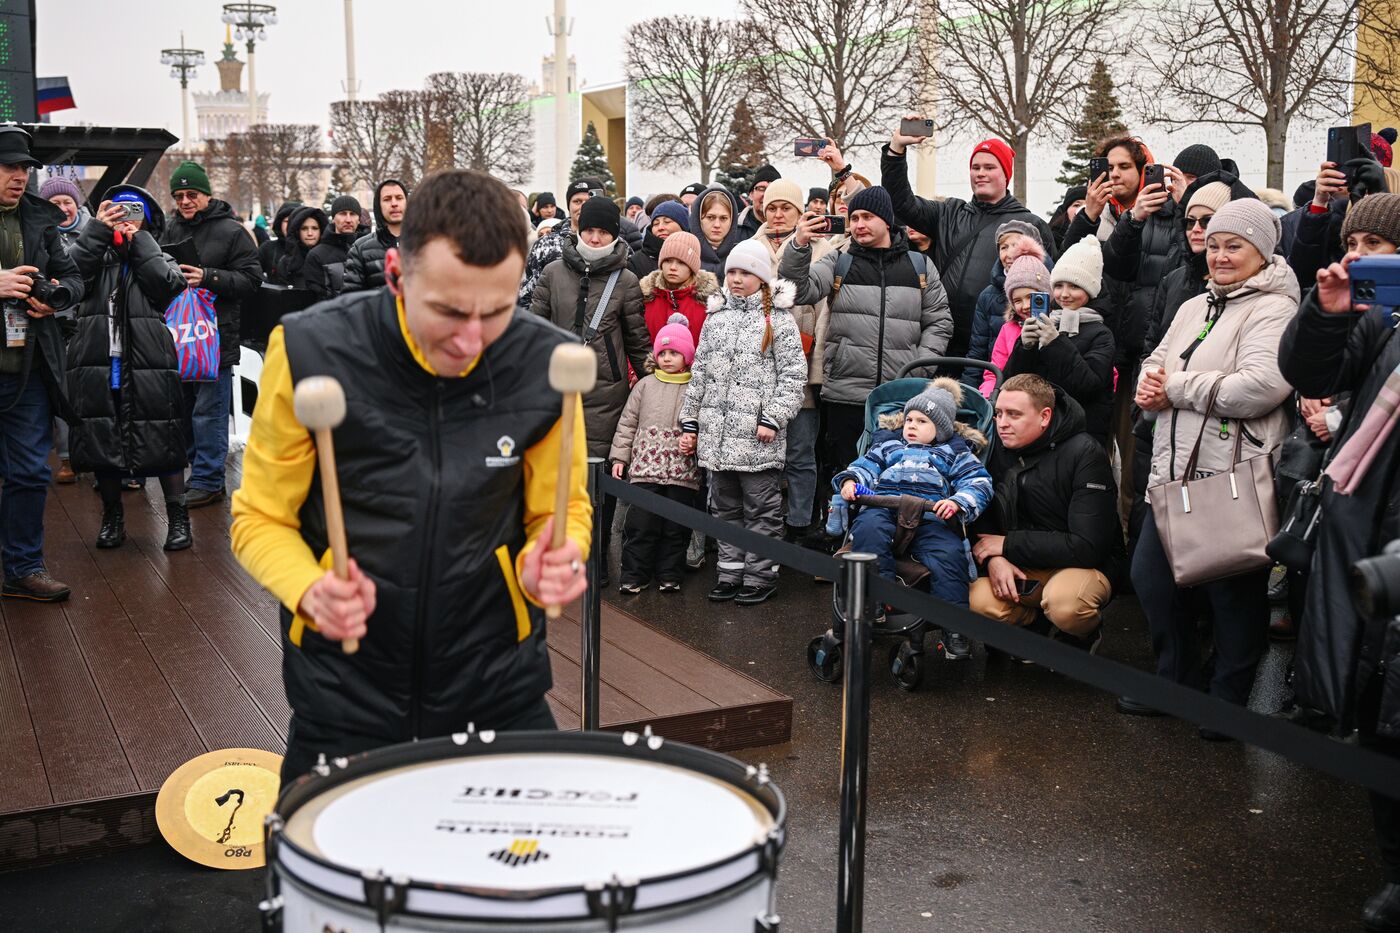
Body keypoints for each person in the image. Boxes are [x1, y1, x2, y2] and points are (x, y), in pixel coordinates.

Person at [231, 169, 591, 784]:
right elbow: (260, 517)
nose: (473, 339)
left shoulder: (548, 363)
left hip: (498, 681)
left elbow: (562, 510)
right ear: (397, 276)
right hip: (346, 687)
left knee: (522, 873)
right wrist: (310, 589)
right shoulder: (311, 348)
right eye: (449, 311)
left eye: (498, 310)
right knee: (325, 875)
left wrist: (556, 554)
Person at [1124, 199, 1298, 726]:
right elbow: (1158, 357)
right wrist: (1150, 381)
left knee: (1231, 593)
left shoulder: (1276, 308)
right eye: (1215, 245)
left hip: (1232, 475)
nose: (1220, 256)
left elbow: (1263, 386)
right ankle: (1178, 684)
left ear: (1262, 251)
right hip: (1172, 470)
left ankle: (1226, 702)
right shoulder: (1195, 304)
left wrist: (1174, 388)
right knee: (1151, 579)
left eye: (1234, 246)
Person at [1279, 197, 1400, 930]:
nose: (1360, 254)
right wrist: (1326, 311)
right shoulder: (1374, 322)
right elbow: (1306, 368)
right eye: (1353, 240)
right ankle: (1393, 870)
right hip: (1365, 530)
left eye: (1377, 243)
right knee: (1381, 720)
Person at [780, 186, 954, 480]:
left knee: (895, 478)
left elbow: (939, 321)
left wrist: (919, 370)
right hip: (845, 395)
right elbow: (798, 291)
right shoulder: (839, 261)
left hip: (900, 397)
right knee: (846, 477)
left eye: (868, 216)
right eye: (855, 217)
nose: (859, 224)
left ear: (886, 220)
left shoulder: (919, 265)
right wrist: (798, 246)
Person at [529, 195, 648, 583]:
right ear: (579, 230)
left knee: (599, 482)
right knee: (560, 479)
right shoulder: (552, 273)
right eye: (590, 230)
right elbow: (534, 330)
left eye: (604, 232)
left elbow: (637, 342)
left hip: (606, 395)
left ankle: (595, 561)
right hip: (557, 392)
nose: (596, 238)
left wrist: (653, 382)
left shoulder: (627, 280)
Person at [679, 239, 805, 606]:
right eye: (732, 271)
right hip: (717, 438)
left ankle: (760, 575)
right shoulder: (715, 319)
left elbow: (793, 377)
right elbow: (699, 374)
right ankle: (730, 572)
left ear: (762, 278)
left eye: (746, 272)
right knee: (724, 510)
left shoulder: (778, 321)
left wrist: (774, 418)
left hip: (757, 438)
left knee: (761, 510)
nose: (736, 278)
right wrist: (691, 422)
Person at [66, 188, 191, 552]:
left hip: (148, 362)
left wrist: (141, 242)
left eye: (134, 210)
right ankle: (112, 516)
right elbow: (70, 274)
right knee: (101, 437)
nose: (126, 216)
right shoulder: (92, 254)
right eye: (117, 209)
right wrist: (97, 232)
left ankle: (178, 517)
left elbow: (167, 285)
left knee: (163, 437)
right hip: (99, 361)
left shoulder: (157, 253)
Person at [970, 373, 1122, 652]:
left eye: (1014, 415)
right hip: (1021, 562)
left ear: (1045, 416)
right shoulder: (996, 448)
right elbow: (984, 519)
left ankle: (1082, 634)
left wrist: (1006, 545)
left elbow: (1088, 546)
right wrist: (994, 560)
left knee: (1066, 605)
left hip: (1082, 566)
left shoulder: (1085, 453)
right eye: (998, 413)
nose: (1002, 423)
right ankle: (1033, 626)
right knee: (975, 599)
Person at [882, 126, 1055, 361]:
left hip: (996, 344)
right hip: (942, 341)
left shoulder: (1029, 224)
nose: (980, 173)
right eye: (975, 168)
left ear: (1006, 175)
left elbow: (1047, 288)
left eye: (989, 167)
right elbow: (901, 202)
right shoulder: (949, 213)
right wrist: (896, 150)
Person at [0, 126, 84, 602]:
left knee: (31, 472)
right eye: (10, 167)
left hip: (27, 366)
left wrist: (58, 300)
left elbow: (72, 276)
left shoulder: (41, 217)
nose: (19, 177)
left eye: (25, 169)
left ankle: (23, 568)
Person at [836, 378, 992, 607]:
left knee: (949, 555)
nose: (911, 425)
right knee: (868, 531)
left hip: (930, 515)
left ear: (940, 429)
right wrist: (850, 481)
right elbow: (866, 466)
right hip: (884, 507)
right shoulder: (888, 445)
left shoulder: (954, 453)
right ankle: (881, 597)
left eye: (921, 421)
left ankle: (954, 626)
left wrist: (958, 502)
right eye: (908, 419)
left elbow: (978, 482)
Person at [162, 160, 262, 509]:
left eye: (191, 194)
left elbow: (252, 280)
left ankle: (208, 478)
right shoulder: (170, 229)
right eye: (179, 195)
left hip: (215, 338)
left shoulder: (232, 231)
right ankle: (200, 475)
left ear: (206, 195)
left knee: (210, 411)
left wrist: (208, 277)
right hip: (180, 337)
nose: (185, 201)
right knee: (188, 408)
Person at [752, 177, 833, 540]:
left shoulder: (822, 249)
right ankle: (765, 525)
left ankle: (800, 523)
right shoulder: (748, 247)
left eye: (786, 207)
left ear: (800, 212)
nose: (779, 214)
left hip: (803, 366)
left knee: (801, 453)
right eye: (772, 207)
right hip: (759, 368)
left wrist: (816, 366)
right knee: (762, 453)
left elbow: (825, 310)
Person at [610, 314, 701, 594]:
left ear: (687, 356)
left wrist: (695, 442)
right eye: (663, 353)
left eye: (675, 353)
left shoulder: (695, 388)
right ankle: (634, 575)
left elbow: (702, 424)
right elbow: (627, 423)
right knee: (640, 526)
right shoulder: (644, 385)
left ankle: (669, 574)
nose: (668, 358)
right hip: (645, 471)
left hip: (681, 473)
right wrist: (619, 458)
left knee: (676, 528)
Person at [1003, 237, 1116, 445]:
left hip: (1082, 434)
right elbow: (1012, 382)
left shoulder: (1102, 334)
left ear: (1090, 290)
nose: (1064, 294)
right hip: (1039, 431)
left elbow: (1089, 385)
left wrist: (1056, 344)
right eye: (1059, 286)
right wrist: (1025, 348)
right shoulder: (1047, 321)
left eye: (1074, 286)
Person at [40, 176, 88, 485]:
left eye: (67, 201)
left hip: (89, 323)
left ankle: (101, 457)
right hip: (51, 323)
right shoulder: (39, 237)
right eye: (54, 203)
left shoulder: (95, 232)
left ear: (77, 205)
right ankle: (68, 457)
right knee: (59, 390)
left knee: (94, 392)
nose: (62, 208)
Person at [965, 221, 1053, 388]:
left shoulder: (1056, 292)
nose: (1010, 252)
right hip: (1002, 378)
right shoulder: (988, 296)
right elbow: (978, 351)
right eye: (1004, 247)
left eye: (1016, 244)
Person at [518, 176, 606, 308]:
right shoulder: (546, 245)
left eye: (588, 201)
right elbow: (528, 296)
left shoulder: (616, 244)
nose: (583, 206)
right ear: (568, 206)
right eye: (577, 201)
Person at [980, 238, 1050, 397]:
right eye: (1017, 300)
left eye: (1031, 298)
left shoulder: (1058, 325)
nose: (1025, 305)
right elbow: (993, 372)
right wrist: (989, 397)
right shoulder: (1008, 329)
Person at [639, 231, 718, 345]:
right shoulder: (645, 298)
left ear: (692, 267)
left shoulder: (709, 303)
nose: (673, 267)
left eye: (681, 262)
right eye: (668, 261)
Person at [343, 179, 408, 294]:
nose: (394, 203)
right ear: (379, 206)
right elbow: (352, 298)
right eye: (387, 199)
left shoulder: (425, 244)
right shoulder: (360, 248)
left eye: (399, 198)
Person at [303, 195, 368, 300]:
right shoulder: (317, 256)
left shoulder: (369, 249)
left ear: (359, 219)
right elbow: (318, 300)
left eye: (352, 214)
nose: (348, 219)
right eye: (342, 214)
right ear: (333, 218)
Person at [689, 184, 743, 274]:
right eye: (710, 217)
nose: (717, 225)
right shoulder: (685, 253)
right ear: (699, 219)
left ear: (732, 220)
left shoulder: (742, 254)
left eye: (723, 218)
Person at [629, 200, 690, 278]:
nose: (660, 228)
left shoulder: (696, 256)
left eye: (667, 222)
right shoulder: (636, 261)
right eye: (656, 224)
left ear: (683, 226)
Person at [278, 206, 327, 291]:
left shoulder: (329, 258)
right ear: (297, 231)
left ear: (321, 230)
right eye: (304, 228)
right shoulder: (286, 262)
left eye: (315, 228)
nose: (310, 233)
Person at [258, 201, 302, 284]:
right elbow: (253, 273)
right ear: (280, 223)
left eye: (295, 220)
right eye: (287, 221)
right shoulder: (267, 248)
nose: (290, 225)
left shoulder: (311, 249)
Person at [737, 164, 781, 240]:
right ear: (751, 194)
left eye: (772, 189)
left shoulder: (792, 229)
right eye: (761, 188)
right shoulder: (733, 226)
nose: (766, 194)